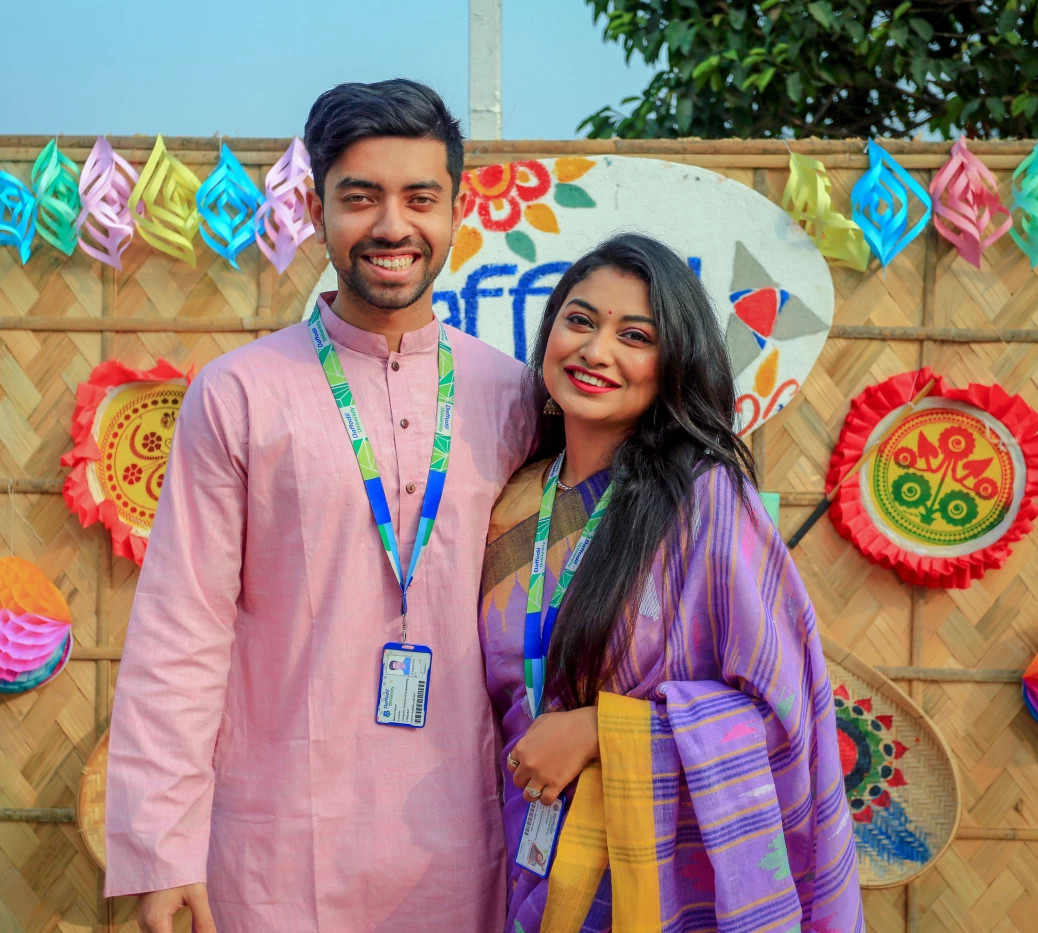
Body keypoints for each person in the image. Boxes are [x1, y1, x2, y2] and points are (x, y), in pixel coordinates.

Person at [104, 79, 532, 932]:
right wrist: (163, 844)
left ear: (459, 210)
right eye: (360, 197)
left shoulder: (514, 395)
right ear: (313, 207)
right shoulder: (239, 393)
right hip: (277, 850)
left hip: (467, 845)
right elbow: (181, 629)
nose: (392, 226)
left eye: (420, 198)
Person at [481, 234, 865, 932]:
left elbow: (782, 714)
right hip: (515, 847)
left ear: (674, 363)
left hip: (651, 884)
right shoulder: (509, 499)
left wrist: (602, 730)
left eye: (635, 336)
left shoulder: (707, 502)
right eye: (579, 320)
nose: (596, 350)